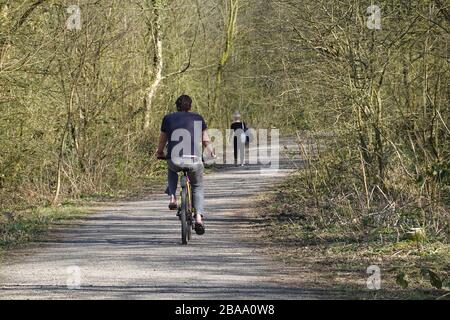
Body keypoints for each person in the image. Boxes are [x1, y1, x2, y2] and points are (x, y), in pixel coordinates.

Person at [156, 95, 214, 235]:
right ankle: (199, 218)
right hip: (194, 159)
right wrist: (211, 152)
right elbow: (206, 140)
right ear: (190, 106)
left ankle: (172, 198)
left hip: (174, 159)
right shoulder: (198, 118)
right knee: (197, 186)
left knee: (171, 169)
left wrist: (159, 152)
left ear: (177, 106)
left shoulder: (168, 118)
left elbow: (162, 140)